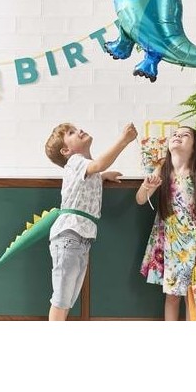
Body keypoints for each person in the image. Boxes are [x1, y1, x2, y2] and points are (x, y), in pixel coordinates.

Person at [44, 122, 138, 321]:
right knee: (61, 299)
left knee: (68, 298)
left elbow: (90, 176)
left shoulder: (86, 168)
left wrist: (102, 177)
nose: (79, 130)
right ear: (66, 151)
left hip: (80, 240)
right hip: (69, 236)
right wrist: (124, 140)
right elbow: (98, 165)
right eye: (71, 132)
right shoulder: (75, 161)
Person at [136, 126, 196, 321]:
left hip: (195, 244)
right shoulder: (162, 170)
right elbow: (140, 199)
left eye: (185, 135)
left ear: (195, 147)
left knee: (195, 296)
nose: (178, 136)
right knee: (172, 297)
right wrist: (147, 186)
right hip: (171, 245)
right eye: (175, 134)